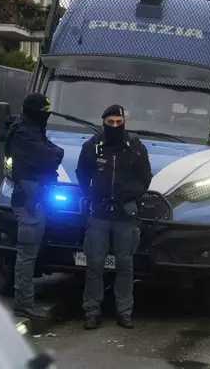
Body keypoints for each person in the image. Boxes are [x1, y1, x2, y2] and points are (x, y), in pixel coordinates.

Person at [75, 105, 152, 330]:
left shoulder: (135, 148)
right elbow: (81, 174)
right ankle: (91, 312)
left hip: (126, 215)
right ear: (104, 122)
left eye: (119, 122)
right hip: (99, 212)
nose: (116, 126)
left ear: (124, 122)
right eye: (111, 122)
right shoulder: (93, 147)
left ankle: (124, 312)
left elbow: (145, 178)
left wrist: (129, 194)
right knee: (94, 265)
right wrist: (91, 195)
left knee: (125, 266)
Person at [5, 92, 64, 320]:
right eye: (44, 113)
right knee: (27, 255)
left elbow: (53, 152)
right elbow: (50, 157)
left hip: (36, 197)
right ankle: (23, 303)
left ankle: (25, 301)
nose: (46, 117)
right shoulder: (24, 132)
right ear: (35, 113)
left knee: (30, 253)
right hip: (29, 200)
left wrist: (52, 155)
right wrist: (52, 156)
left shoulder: (31, 129)